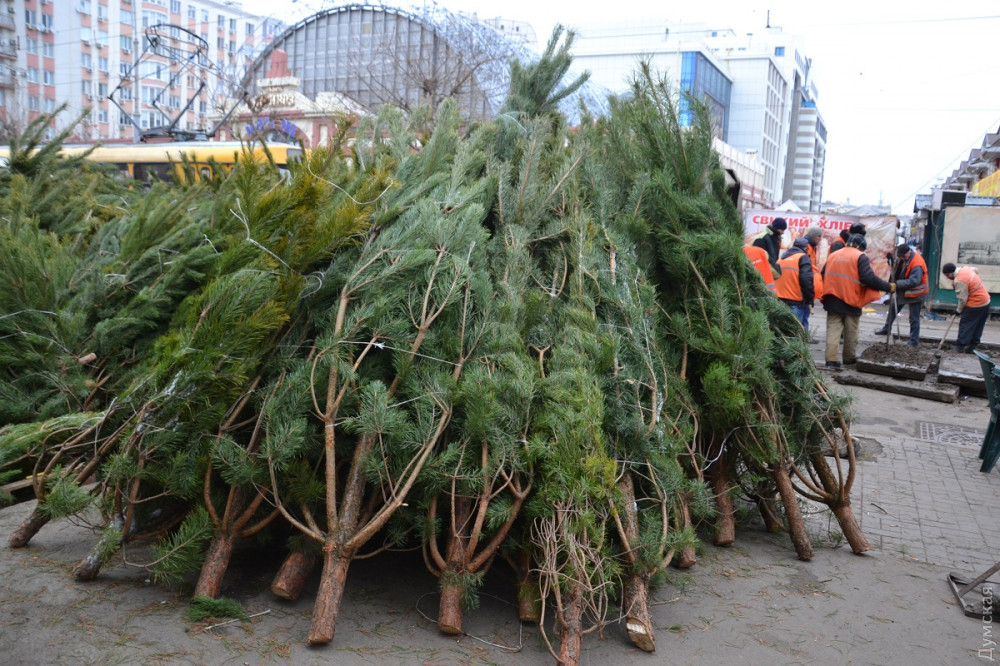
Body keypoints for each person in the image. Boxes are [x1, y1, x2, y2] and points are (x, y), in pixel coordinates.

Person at [821, 234, 895, 367]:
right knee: (851, 331)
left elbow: (823, 274)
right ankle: (849, 358)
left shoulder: (833, 255)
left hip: (832, 299)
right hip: (851, 299)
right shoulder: (859, 257)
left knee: (833, 330)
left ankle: (831, 360)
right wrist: (888, 287)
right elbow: (868, 278)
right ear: (861, 246)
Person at [874, 242, 927, 346]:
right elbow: (897, 269)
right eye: (900, 257)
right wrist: (891, 261)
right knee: (893, 309)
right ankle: (886, 328)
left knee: (914, 318)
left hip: (916, 293)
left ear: (909, 252)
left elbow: (914, 281)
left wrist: (897, 284)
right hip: (903, 290)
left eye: (903, 256)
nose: (901, 258)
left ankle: (913, 341)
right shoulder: (902, 257)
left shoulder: (917, 263)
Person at [942, 262, 991, 353]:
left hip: (975, 303)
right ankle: (972, 347)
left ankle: (960, 347)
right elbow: (976, 270)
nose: (947, 277)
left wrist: (958, 311)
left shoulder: (959, 280)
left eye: (947, 275)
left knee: (965, 325)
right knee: (978, 326)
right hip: (986, 301)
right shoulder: (965, 269)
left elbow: (963, 299)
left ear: (952, 273)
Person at [775, 237, 815, 329]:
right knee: (795, 333)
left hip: (779, 300)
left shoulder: (781, 258)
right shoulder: (803, 257)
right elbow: (806, 281)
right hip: (794, 302)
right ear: (805, 248)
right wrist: (810, 299)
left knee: (782, 332)